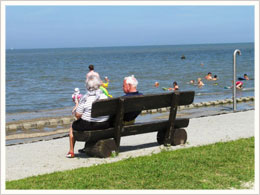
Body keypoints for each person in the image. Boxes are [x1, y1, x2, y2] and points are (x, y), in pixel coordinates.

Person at [66, 75, 110, 158]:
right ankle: (88, 147)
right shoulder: (104, 96)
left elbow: (78, 115)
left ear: (87, 87)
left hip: (89, 125)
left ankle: (71, 151)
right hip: (104, 124)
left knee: (72, 126)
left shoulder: (85, 98)